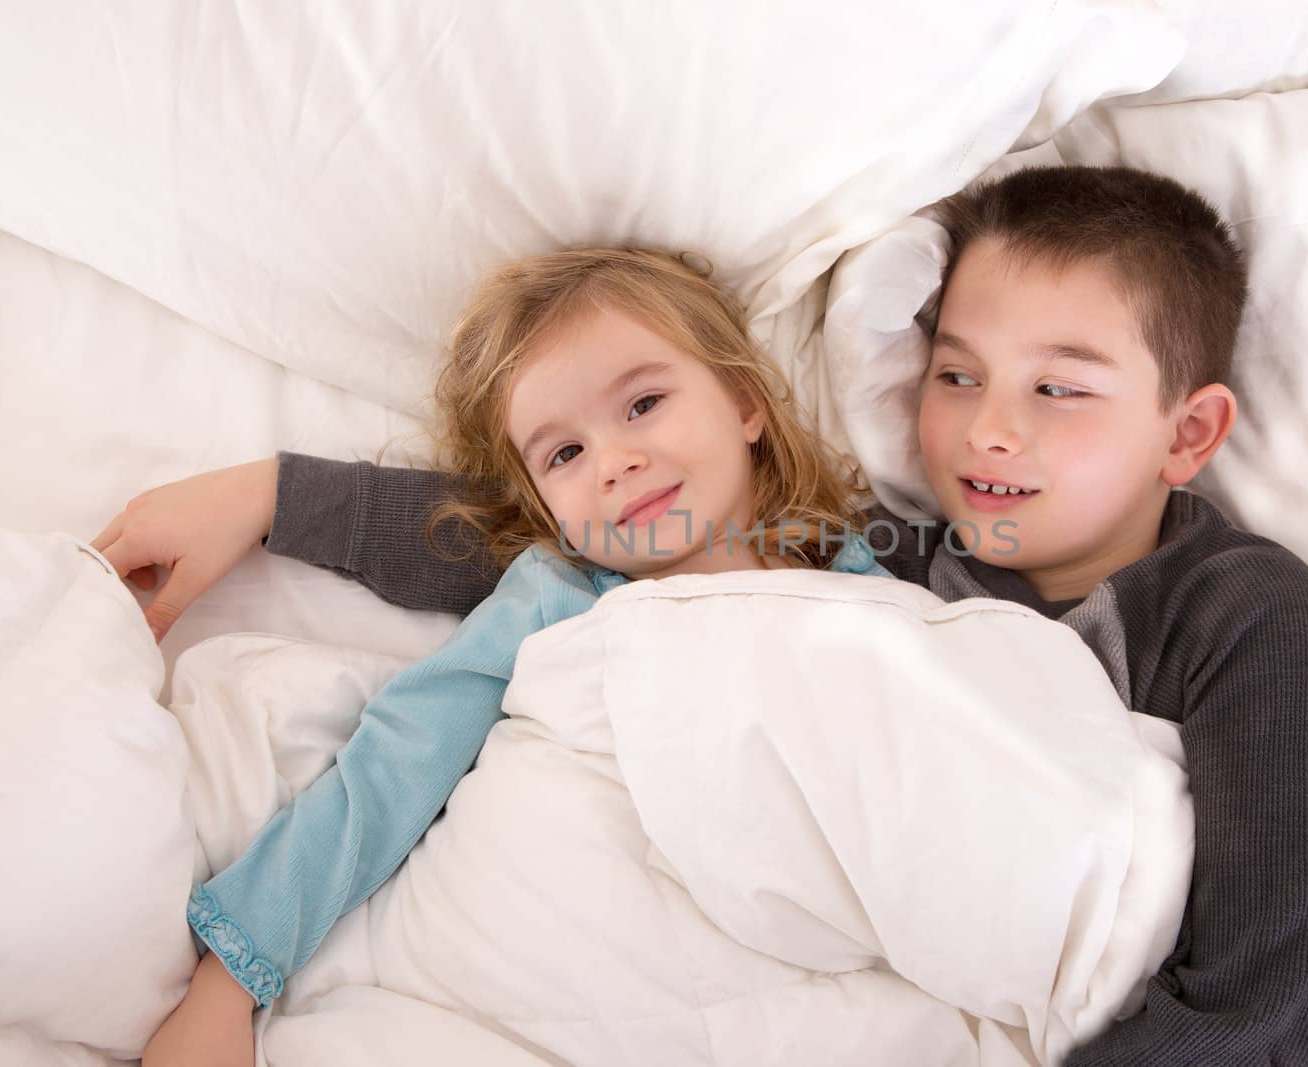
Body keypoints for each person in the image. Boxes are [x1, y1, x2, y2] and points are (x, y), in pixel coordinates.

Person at [104, 166, 1308, 1065]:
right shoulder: (892, 550)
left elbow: (1276, 987)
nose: (992, 425)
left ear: (1192, 432)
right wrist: (267, 493)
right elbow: (574, 542)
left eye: (1060, 386)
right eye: (957, 373)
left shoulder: (1251, 618)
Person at [124, 248, 892, 1066]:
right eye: (564, 454)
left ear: (745, 402)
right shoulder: (559, 594)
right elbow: (397, 762)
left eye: (644, 402)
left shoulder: (866, 580)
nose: (613, 463)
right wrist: (231, 979)